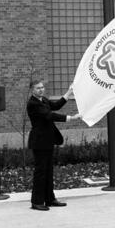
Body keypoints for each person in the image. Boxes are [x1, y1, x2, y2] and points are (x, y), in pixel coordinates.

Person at [27, 79, 81, 211]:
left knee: (48, 171)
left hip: (48, 140)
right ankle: (37, 202)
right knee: (40, 173)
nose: (41, 89)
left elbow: (56, 106)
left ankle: (50, 199)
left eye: (42, 87)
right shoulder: (33, 104)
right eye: (38, 88)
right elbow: (49, 115)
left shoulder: (43, 100)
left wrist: (69, 92)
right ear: (32, 90)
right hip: (39, 142)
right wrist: (71, 118)